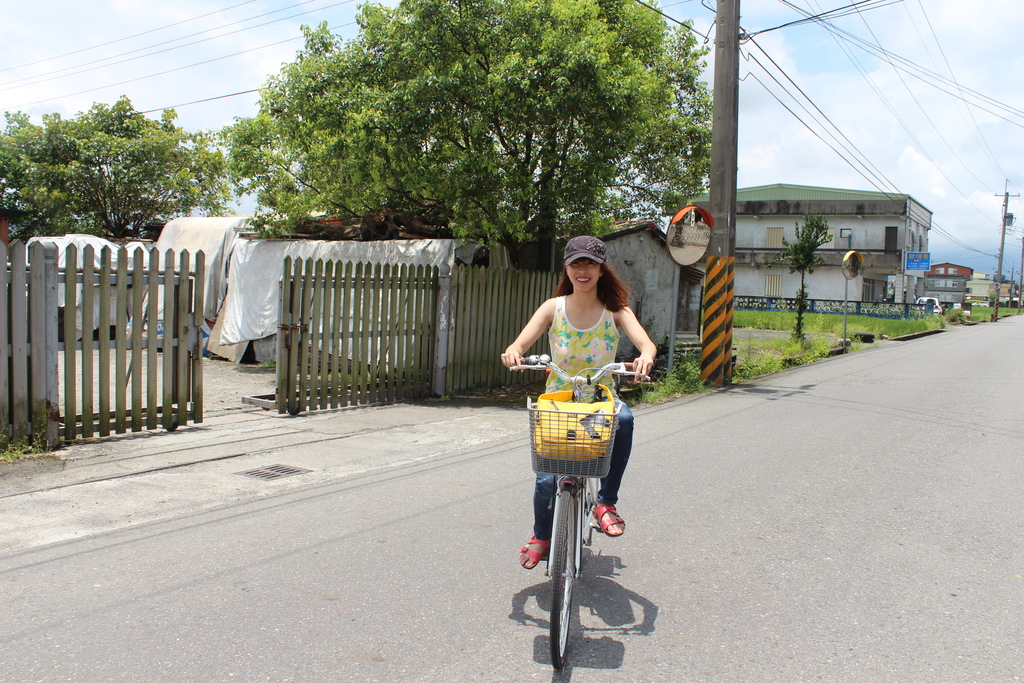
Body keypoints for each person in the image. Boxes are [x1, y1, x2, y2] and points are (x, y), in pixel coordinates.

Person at [500, 236, 657, 569]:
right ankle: (542, 535)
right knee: (546, 479)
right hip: (559, 401)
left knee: (625, 420)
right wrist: (514, 353)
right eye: (576, 263)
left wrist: (645, 356)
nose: (582, 270)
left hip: (600, 400)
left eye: (590, 263)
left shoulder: (616, 311)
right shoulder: (552, 308)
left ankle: (605, 503)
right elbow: (520, 343)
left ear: (601, 269)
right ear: (566, 268)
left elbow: (646, 344)